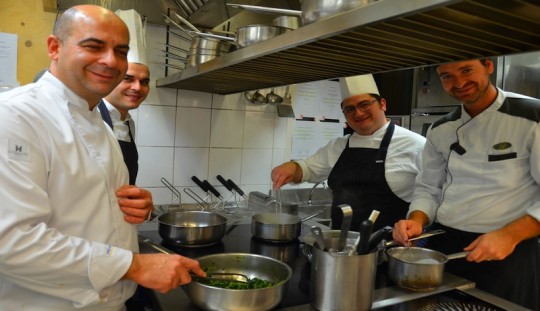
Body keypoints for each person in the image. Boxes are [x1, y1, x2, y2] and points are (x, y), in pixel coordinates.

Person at [0, 5, 204, 310]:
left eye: (121, 51)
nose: (111, 61)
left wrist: (134, 208)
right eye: (94, 46)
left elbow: (84, 204)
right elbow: (10, 243)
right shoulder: (15, 115)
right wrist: (135, 266)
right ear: (54, 48)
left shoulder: (100, 123)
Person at [392, 58, 540, 310]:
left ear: (489, 66)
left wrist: (509, 235)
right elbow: (428, 187)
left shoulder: (531, 116)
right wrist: (416, 220)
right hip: (447, 248)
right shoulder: (441, 128)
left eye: (466, 70)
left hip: (507, 251)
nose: (458, 83)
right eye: (447, 76)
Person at [271, 75, 426, 232]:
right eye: (350, 109)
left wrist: (417, 221)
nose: (358, 113)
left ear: (383, 104)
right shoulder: (338, 146)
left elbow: (431, 193)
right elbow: (307, 169)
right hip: (342, 246)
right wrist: (291, 167)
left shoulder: (416, 145)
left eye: (364, 105)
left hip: (391, 246)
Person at [98, 62, 150, 185]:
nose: (137, 87)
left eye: (144, 82)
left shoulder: (128, 123)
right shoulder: (92, 117)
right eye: (127, 79)